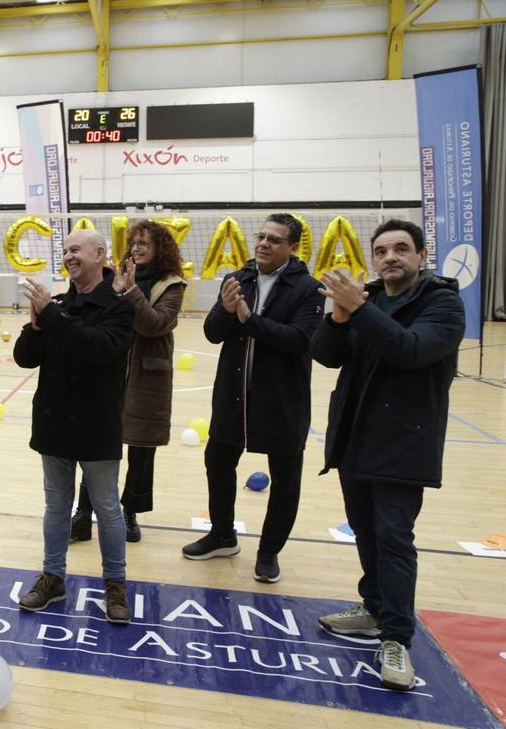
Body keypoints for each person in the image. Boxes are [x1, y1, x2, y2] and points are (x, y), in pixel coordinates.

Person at [311, 219, 464, 691]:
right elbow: (325, 354)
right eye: (381, 251)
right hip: (355, 437)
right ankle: (374, 605)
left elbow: (409, 350)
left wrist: (357, 309)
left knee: (394, 538)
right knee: (367, 533)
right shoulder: (369, 299)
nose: (390, 257)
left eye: (401, 249)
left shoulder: (443, 302)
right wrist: (338, 317)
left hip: (403, 444)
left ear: (421, 256)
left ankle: (396, 635)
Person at [182, 214, 323, 584]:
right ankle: (222, 536)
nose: (263, 243)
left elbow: (300, 340)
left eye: (274, 239)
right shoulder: (237, 279)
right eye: (260, 236)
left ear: (292, 248)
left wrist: (249, 321)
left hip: (283, 400)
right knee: (218, 460)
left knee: (286, 478)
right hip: (233, 395)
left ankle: (268, 552)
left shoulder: (308, 289)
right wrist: (228, 313)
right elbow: (213, 332)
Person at [12, 229, 135, 623]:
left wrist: (50, 315)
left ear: (100, 254)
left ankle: (115, 583)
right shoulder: (58, 304)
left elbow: (100, 348)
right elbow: (25, 359)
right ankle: (53, 576)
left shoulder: (119, 306)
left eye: (76, 249)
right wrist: (34, 326)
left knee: (107, 510)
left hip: (97, 425)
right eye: (65, 250)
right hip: (53, 424)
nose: (68, 255)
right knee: (56, 508)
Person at [70, 220, 186, 544]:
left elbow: (154, 324)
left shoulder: (172, 285)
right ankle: (83, 514)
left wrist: (131, 292)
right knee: (97, 444)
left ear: (159, 248)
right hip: (111, 367)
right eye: (134, 243)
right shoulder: (117, 276)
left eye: (145, 243)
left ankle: (130, 514)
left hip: (148, 373)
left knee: (141, 449)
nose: (137, 248)